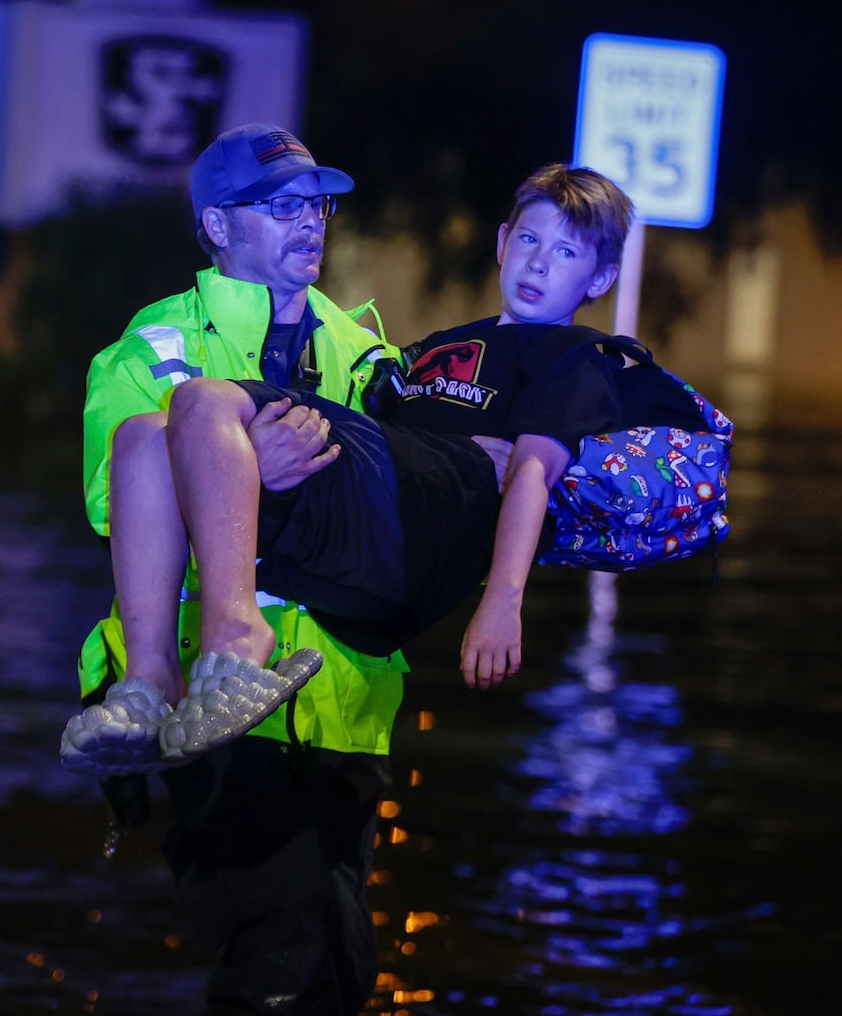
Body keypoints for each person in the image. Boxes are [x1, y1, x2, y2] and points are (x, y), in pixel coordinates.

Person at [64, 163, 635, 775]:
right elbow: (111, 502)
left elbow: (527, 478)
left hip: (381, 563)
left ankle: (235, 637)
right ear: (501, 242)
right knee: (147, 434)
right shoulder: (430, 352)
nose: (540, 262)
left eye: (566, 251)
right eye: (529, 240)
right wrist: (255, 466)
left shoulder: (572, 364)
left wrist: (502, 601)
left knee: (200, 401)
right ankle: (151, 683)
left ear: (600, 276)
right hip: (335, 538)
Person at [75, 123, 422, 1016]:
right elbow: (117, 499)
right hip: (210, 702)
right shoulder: (160, 344)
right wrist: (243, 471)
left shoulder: (368, 354)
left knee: (339, 959)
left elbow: (400, 509)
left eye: (317, 204)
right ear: (219, 227)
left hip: (343, 709)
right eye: (280, 206)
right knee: (287, 952)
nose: (309, 222)